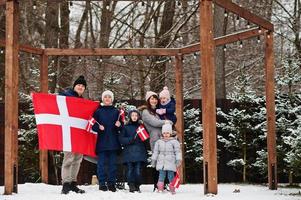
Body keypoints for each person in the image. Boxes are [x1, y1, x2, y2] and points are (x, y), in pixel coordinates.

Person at [139, 91, 172, 191]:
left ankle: (164, 184)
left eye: (155, 99)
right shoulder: (145, 112)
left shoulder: (158, 110)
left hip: (164, 137)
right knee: (157, 161)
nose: (154, 100)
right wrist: (166, 122)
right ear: (148, 100)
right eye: (152, 99)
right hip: (155, 138)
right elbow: (154, 122)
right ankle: (156, 184)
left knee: (165, 161)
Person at [60, 75, 87, 194]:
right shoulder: (66, 96)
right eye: (79, 85)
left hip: (80, 134)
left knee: (77, 159)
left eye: (82, 86)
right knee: (68, 159)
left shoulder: (83, 101)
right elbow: (54, 102)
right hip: (68, 133)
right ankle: (65, 183)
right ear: (74, 86)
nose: (80, 87)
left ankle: (72, 183)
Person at [92, 90, 122, 192]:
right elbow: (93, 125)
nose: (107, 99)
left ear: (112, 99)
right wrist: (98, 127)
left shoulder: (116, 112)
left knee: (112, 165)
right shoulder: (98, 112)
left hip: (113, 143)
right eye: (105, 97)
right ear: (102, 99)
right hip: (102, 143)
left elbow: (121, 127)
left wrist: (119, 125)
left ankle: (111, 183)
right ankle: (102, 183)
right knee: (101, 164)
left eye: (109, 97)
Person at [118, 110, 147, 193]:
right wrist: (130, 139)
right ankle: (131, 185)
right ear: (130, 117)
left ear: (138, 117)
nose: (134, 117)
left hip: (139, 152)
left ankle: (137, 185)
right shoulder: (125, 127)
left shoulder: (141, 127)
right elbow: (121, 139)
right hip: (128, 152)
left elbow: (145, 140)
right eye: (133, 115)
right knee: (130, 170)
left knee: (138, 170)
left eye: (136, 115)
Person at [151, 123, 182, 194]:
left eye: (167, 133)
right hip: (161, 162)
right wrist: (154, 160)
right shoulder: (159, 142)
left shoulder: (174, 142)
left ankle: (172, 190)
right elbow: (155, 152)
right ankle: (160, 189)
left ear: (170, 133)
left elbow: (178, 152)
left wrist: (178, 159)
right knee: (161, 176)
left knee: (171, 176)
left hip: (170, 161)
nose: (166, 134)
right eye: (164, 133)